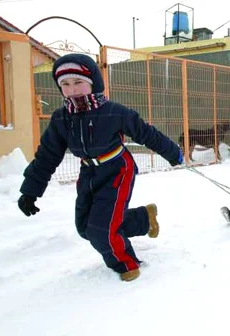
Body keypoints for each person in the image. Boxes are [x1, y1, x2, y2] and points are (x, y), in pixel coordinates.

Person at [17, 53, 183, 282]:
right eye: (64, 84)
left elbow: (146, 133)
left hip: (118, 169)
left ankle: (126, 264)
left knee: (102, 229)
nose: (72, 89)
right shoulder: (61, 119)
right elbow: (47, 155)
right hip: (89, 172)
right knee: (85, 226)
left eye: (78, 82)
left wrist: (172, 153)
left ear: (93, 82)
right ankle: (144, 218)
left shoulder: (113, 111)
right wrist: (30, 190)